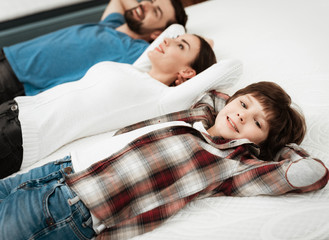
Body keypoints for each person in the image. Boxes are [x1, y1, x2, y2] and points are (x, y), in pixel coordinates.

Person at [0, 81, 329, 240]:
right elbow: (215, 94)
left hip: (75, 206)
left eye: (257, 123)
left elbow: (308, 173)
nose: (243, 117)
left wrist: (277, 146)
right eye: (244, 104)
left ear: (260, 142)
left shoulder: (231, 162)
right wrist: (240, 108)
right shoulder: (196, 117)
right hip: (61, 169)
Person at [0, 33, 217, 179]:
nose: (168, 40)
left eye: (181, 45)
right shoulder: (136, 69)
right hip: (14, 109)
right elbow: (174, 28)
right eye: (174, 39)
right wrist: (190, 40)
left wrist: (208, 47)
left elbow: (231, 67)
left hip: (18, 137)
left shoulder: (161, 98)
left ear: (188, 73)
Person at [0, 0, 187, 102]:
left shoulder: (135, 51)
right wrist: (145, 10)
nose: (145, 5)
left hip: (16, 81)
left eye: (156, 12)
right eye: (151, 0)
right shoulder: (111, 24)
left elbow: (178, 32)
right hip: (8, 54)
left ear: (158, 34)